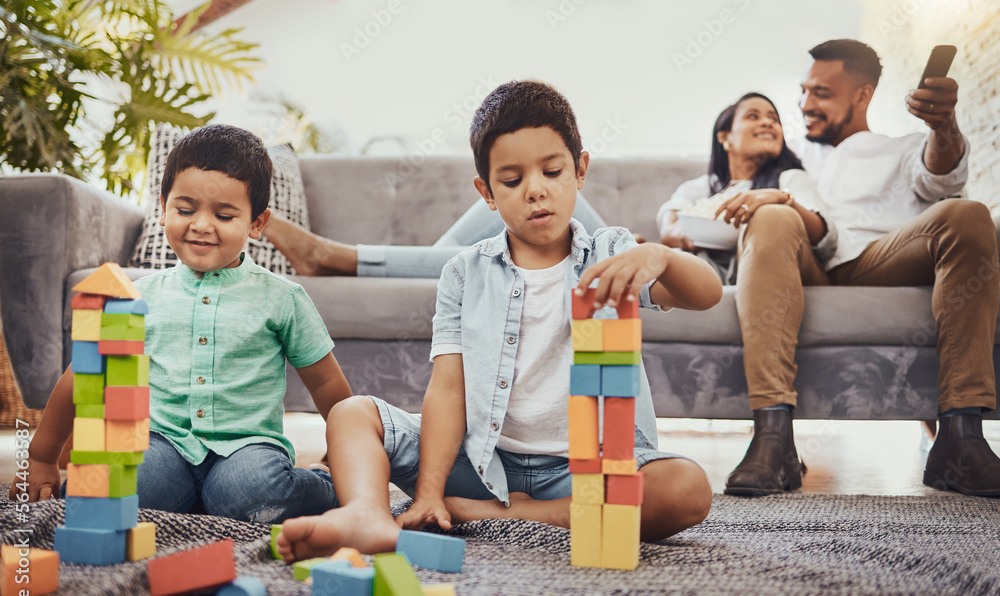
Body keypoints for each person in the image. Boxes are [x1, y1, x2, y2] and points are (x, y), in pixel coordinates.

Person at [276, 80, 722, 559]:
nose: (535, 190)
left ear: (580, 171)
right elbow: (448, 388)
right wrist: (427, 493)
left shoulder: (611, 252)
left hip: (587, 470)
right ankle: (367, 513)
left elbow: (707, 294)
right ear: (486, 192)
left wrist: (662, 256)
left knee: (686, 488)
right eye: (512, 181)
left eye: (553, 171)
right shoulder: (464, 273)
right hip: (481, 462)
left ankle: (501, 515)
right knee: (351, 413)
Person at [11, 125, 354, 522]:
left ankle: (321, 483)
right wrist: (41, 456)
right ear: (163, 207)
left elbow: (327, 383)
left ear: (257, 223)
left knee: (250, 494)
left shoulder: (284, 298)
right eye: (186, 210)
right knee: (117, 488)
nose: (202, 225)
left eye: (224, 215)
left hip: (247, 448)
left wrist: (348, 457)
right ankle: (193, 498)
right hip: (159, 441)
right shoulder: (139, 296)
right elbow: (83, 374)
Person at [725, 39, 1000, 498]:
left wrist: (944, 126)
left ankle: (960, 438)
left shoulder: (903, 148)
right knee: (772, 215)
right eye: (804, 91)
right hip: (805, 262)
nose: (804, 104)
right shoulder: (790, 158)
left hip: (880, 261)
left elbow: (942, 173)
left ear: (862, 95)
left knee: (968, 213)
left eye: (822, 94)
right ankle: (773, 440)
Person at [656, 92, 836, 284]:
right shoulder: (701, 188)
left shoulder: (789, 179)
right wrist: (700, 235)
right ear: (725, 137)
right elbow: (669, 227)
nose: (767, 123)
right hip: (706, 275)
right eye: (753, 116)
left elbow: (827, 242)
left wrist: (783, 201)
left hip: (783, 271)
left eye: (773, 119)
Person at [264, 187, 608, 278]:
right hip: (615, 242)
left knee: (563, 199)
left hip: (624, 253)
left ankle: (341, 258)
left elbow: (665, 252)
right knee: (459, 255)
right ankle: (335, 258)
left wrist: (647, 251)